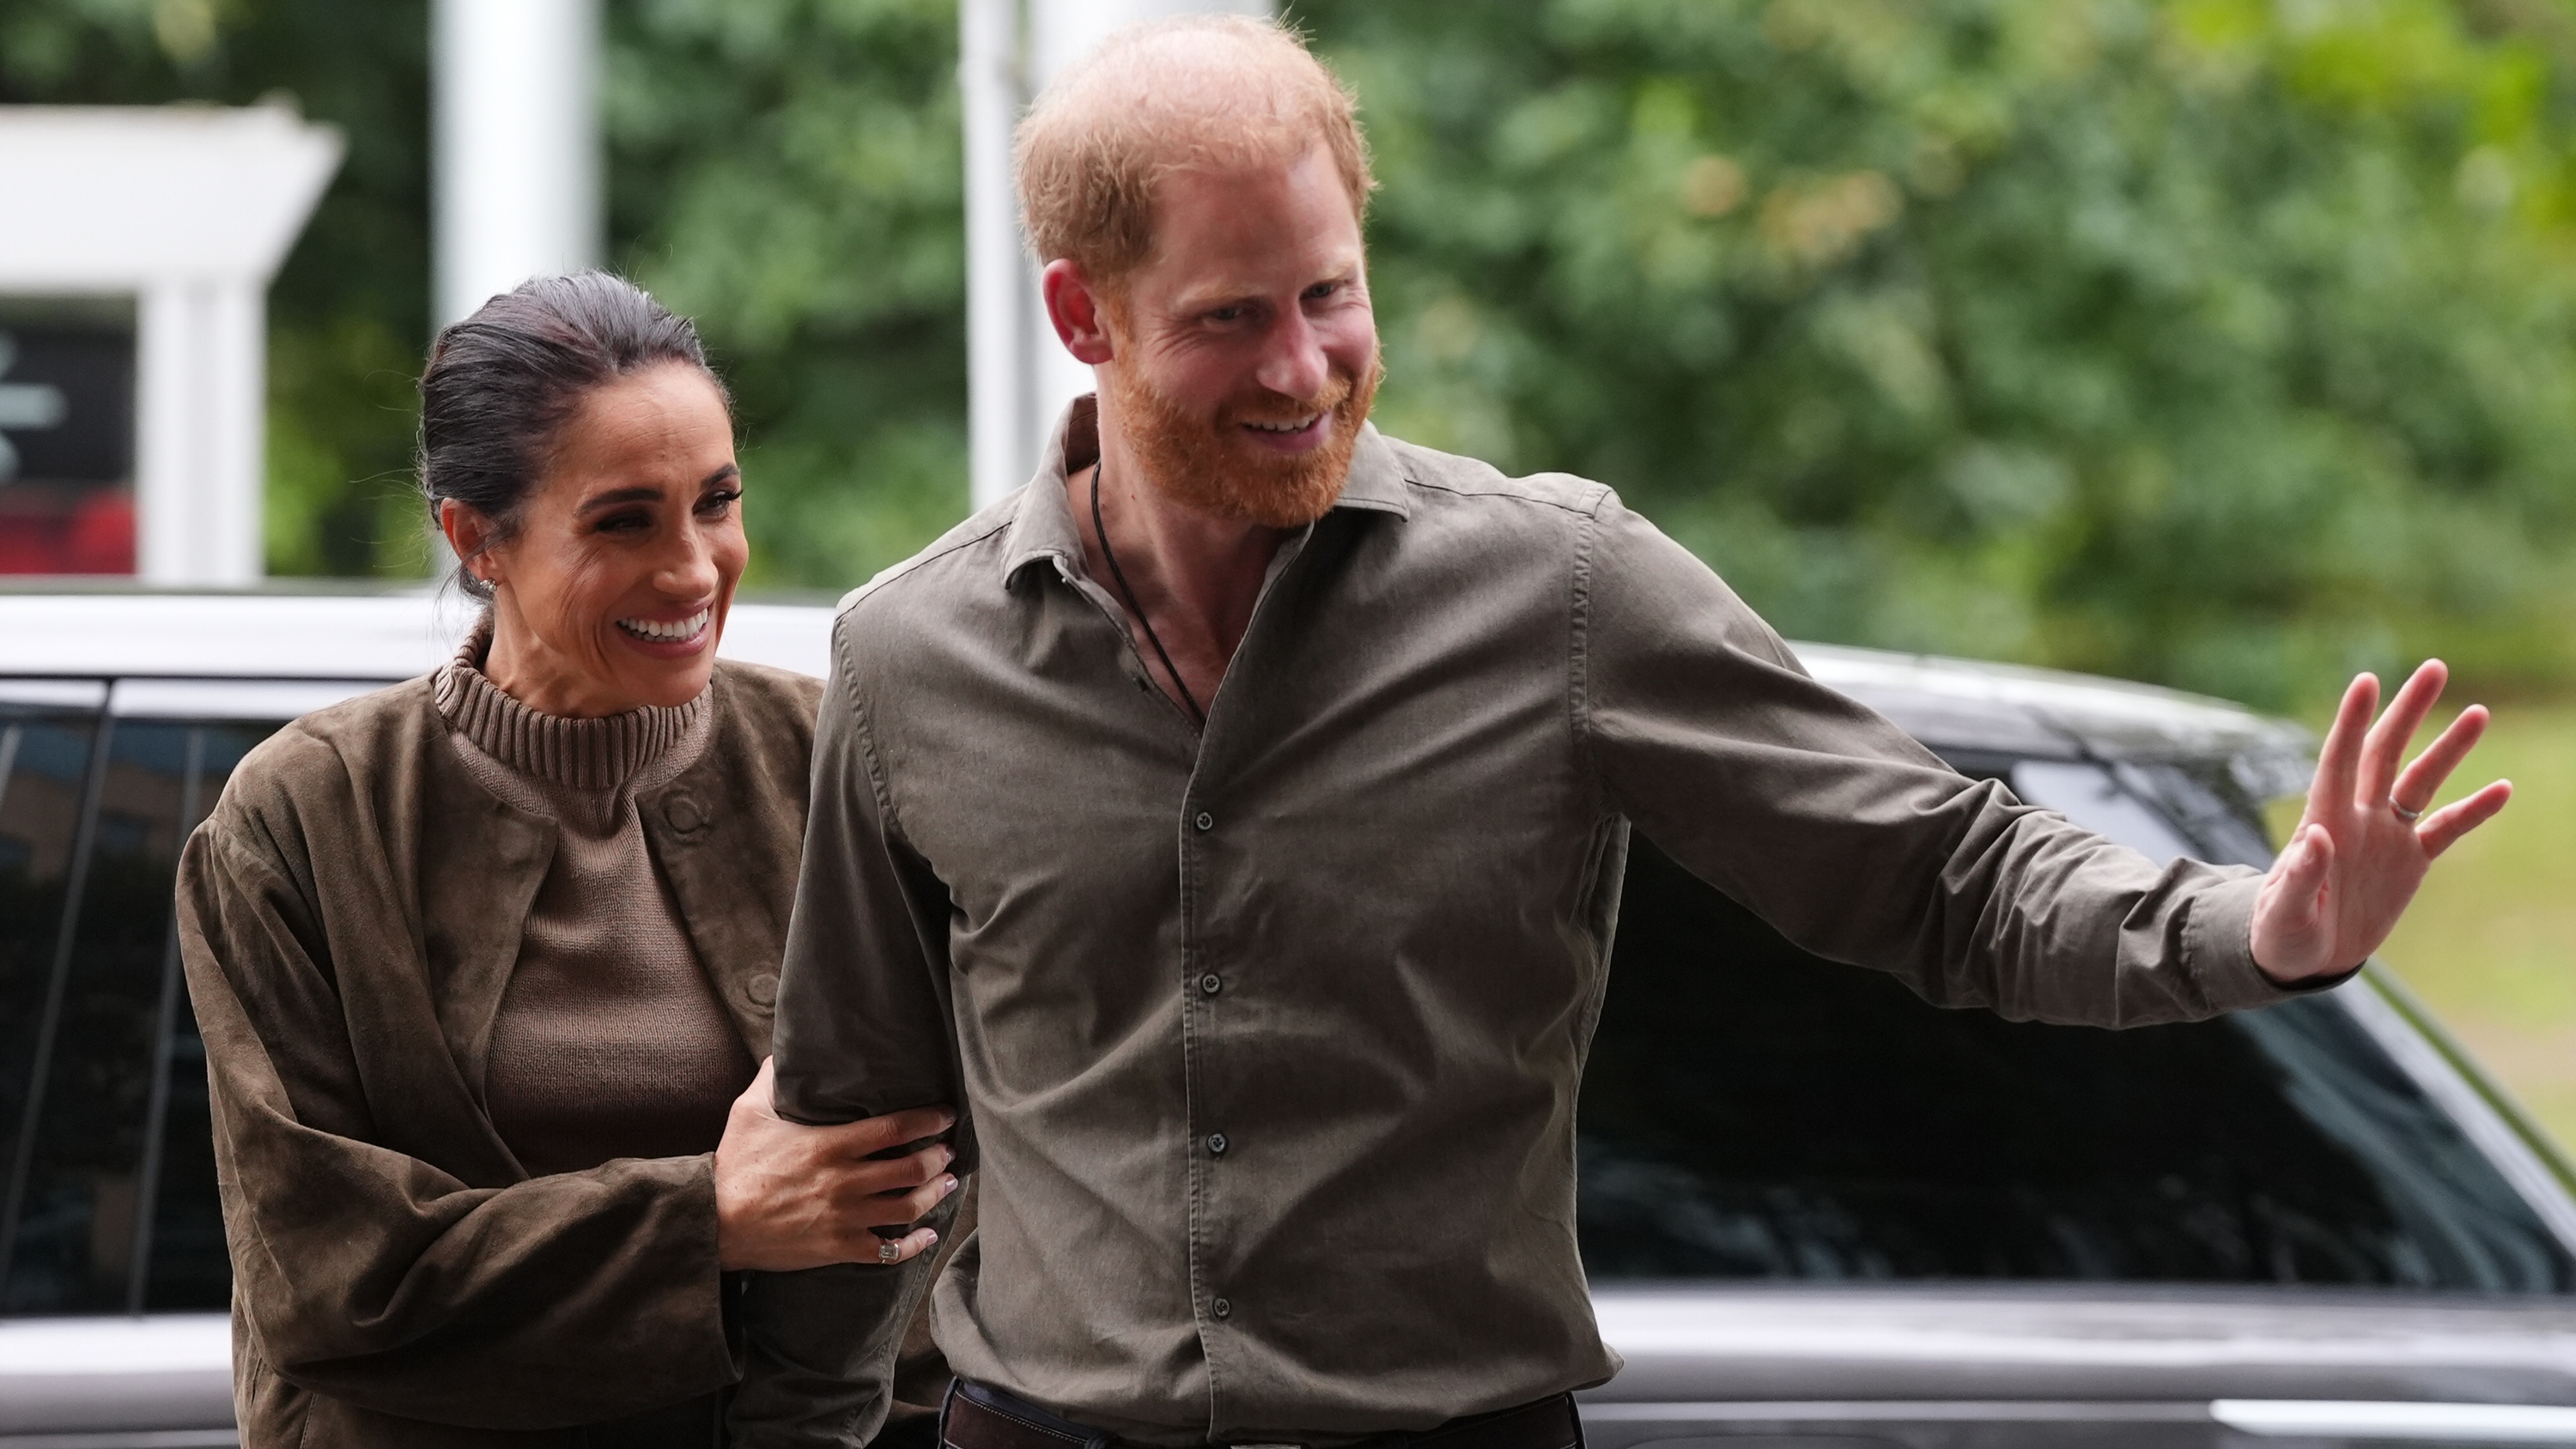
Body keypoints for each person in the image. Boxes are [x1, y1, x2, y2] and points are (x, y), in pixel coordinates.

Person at [753, 17, 2513, 1449]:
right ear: (1083, 316)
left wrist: (2257, 926)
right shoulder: (914, 658)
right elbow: (861, 1130)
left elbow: (1939, 870)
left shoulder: (1561, 595)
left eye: (1333, 292)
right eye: (1230, 319)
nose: (1305, 367)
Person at [176, 273, 963, 1449]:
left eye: (718, 501)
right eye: (625, 520)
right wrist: (710, 1220)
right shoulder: (303, 819)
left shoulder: (840, 760)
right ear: (474, 537)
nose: (695, 568)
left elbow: (951, 1199)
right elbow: (330, 1278)